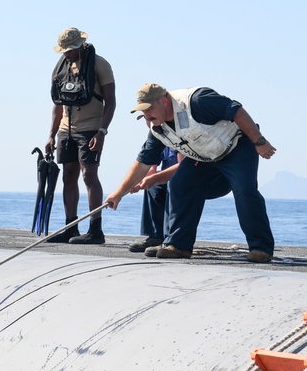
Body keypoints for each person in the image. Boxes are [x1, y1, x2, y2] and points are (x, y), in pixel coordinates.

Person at [105, 84, 277, 263]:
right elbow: (142, 164)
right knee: (179, 183)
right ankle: (178, 245)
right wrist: (119, 193)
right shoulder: (157, 129)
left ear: (163, 102)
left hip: (237, 147)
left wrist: (259, 141)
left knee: (245, 190)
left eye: (149, 109)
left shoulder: (197, 101)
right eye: (143, 112)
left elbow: (237, 111)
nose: (146, 116)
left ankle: (260, 248)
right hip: (205, 157)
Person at [44, 27, 116, 244]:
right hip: (67, 129)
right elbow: (58, 103)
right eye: (64, 50)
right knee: (68, 175)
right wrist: (51, 134)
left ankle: (96, 230)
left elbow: (110, 101)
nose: (66, 53)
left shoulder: (100, 64)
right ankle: (70, 226)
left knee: (89, 176)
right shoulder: (62, 67)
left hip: (91, 127)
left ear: (80, 45)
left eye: (70, 49)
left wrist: (102, 131)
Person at [127, 146, 179, 253]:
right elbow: (150, 168)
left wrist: (155, 178)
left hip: (182, 178)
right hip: (165, 179)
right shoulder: (159, 141)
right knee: (152, 186)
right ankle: (156, 236)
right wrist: (139, 183)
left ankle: (171, 239)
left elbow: (183, 165)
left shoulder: (179, 139)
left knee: (171, 184)